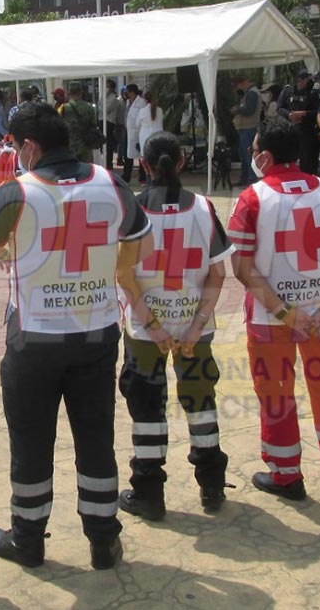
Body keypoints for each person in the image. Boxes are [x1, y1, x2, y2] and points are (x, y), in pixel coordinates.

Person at [0, 102, 152, 571]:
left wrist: (7, 250)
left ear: (30, 146)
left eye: (14, 145)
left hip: (34, 339)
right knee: (96, 438)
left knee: (31, 442)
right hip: (96, 335)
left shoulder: (17, 192)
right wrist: (104, 272)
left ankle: (27, 539)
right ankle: (103, 540)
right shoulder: (110, 183)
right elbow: (139, 242)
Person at [228, 118, 320, 502]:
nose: (252, 154)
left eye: (254, 150)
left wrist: (286, 312)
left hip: (269, 318)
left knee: (276, 391)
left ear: (266, 157)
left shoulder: (252, 198)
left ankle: (286, 474)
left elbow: (242, 268)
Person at [114, 131, 232, 520]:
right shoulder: (203, 207)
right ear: (181, 162)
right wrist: (195, 327)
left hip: (145, 333)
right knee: (201, 404)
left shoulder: (133, 210)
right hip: (194, 331)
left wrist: (155, 326)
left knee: (147, 410)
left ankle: (149, 493)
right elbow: (218, 274)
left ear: (144, 165)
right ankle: (212, 486)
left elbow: (124, 275)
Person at [278, 70, 320, 175]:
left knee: (307, 158)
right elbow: (280, 108)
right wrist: (289, 115)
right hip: (290, 129)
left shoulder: (313, 93)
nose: (309, 82)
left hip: (307, 130)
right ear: (300, 80)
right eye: (307, 80)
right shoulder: (288, 91)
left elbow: (318, 112)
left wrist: (304, 113)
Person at [232, 75, 262, 184]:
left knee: (248, 155)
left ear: (243, 82)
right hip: (245, 128)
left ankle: (252, 179)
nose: (239, 88)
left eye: (239, 85)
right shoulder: (249, 93)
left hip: (249, 128)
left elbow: (250, 110)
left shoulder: (252, 93)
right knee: (244, 155)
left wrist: (237, 110)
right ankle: (245, 178)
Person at [60, 83, 98, 163]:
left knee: (71, 168)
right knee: (86, 168)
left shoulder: (64, 108)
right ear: (81, 92)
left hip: (70, 145)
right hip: (85, 145)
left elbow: (59, 126)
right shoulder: (89, 107)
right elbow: (94, 125)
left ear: (69, 92)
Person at [124, 84, 148, 184]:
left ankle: (142, 176)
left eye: (127, 92)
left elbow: (142, 117)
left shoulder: (141, 102)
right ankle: (126, 176)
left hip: (138, 132)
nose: (126, 94)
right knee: (127, 155)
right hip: (128, 131)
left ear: (132, 92)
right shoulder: (127, 102)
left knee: (140, 154)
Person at [104, 79, 126, 171]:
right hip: (109, 122)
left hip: (112, 123)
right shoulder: (108, 97)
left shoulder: (114, 99)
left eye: (107, 86)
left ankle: (112, 162)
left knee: (114, 143)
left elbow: (106, 109)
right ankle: (113, 161)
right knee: (115, 143)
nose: (106, 88)